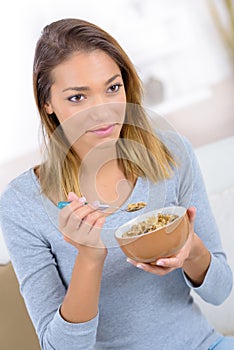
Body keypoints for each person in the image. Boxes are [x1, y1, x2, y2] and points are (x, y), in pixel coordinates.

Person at [0, 18, 233, 350]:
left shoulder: (172, 154)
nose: (103, 112)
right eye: (78, 98)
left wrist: (191, 249)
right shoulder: (23, 203)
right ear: (47, 103)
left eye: (112, 88)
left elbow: (220, 290)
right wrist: (89, 258)